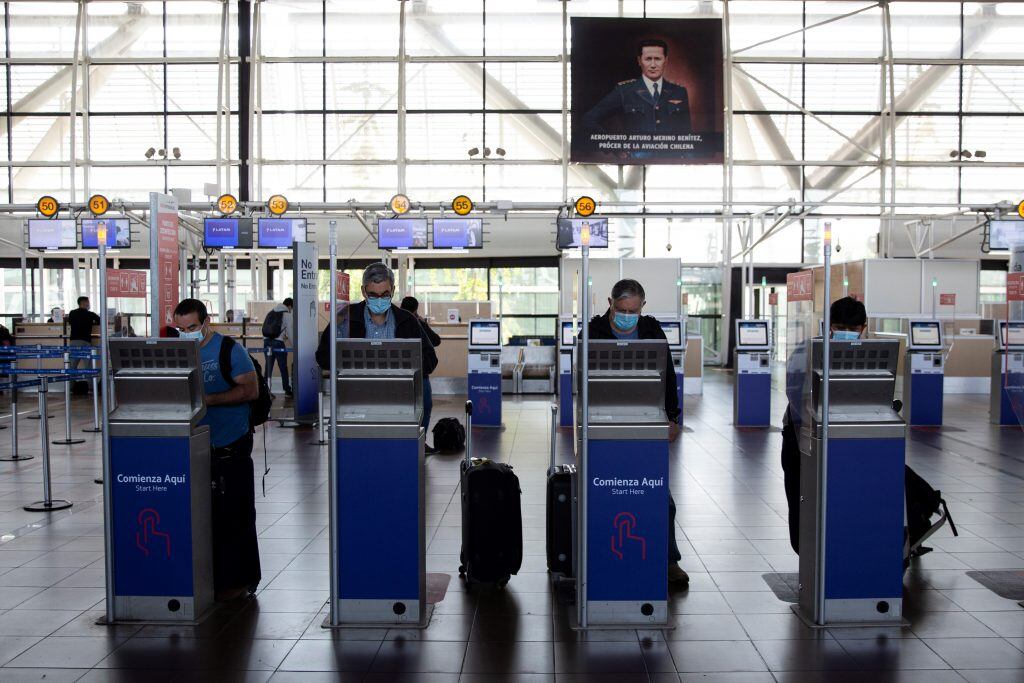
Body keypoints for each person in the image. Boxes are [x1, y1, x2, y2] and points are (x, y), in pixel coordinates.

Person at [585, 278, 688, 589]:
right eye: (621, 310)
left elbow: (668, 374)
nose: (628, 316)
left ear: (643, 306)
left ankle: (668, 560)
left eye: (634, 310)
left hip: (648, 418)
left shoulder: (652, 331)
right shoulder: (592, 332)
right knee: (605, 490)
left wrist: (673, 417)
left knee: (656, 493)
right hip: (602, 420)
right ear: (610, 304)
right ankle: (599, 557)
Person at [172, 298, 261, 602]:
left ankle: (240, 581)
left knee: (235, 515)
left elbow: (250, 390)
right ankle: (207, 577)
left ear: (206, 322)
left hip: (230, 444)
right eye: (181, 329)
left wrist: (207, 400)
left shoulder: (228, 350)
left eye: (192, 327)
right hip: (193, 445)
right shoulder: (177, 351)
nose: (187, 333)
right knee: (203, 516)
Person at [316, 264, 439, 451]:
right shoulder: (346, 318)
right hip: (355, 399)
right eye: (373, 295)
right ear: (364, 291)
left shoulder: (407, 321)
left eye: (385, 294)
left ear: (393, 291)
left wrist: (409, 363)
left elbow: (430, 359)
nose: (379, 299)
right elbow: (323, 355)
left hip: (399, 399)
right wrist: (347, 358)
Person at [781, 296, 867, 554]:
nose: (847, 334)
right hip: (802, 437)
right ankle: (806, 553)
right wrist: (817, 420)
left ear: (864, 326)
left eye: (853, 329)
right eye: (840, 327)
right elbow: (795, 394)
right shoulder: (807, 351)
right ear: (829, 325)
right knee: (802, 498)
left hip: (847, 440)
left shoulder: (868, 354)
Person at [581, 38, 692, 137]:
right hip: (635, 159)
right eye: (648, 59)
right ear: (639, 61)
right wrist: (614, 146)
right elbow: (589, 119)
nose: (653, 65)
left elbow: (687, 134)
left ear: (665, 61)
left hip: (670, 158)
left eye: (658, 59)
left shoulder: (679, 92)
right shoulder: (624, 91)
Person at [401, 296, 442, 453]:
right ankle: (420, 442)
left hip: (402, 373)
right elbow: (436, 340)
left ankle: (406, 441)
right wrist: (421, 321)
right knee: (425, 407)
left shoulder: (396, 320)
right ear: (416, 309)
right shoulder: (416, 322)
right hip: (420, 373)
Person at [263, 298, 294, 399]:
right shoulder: (287, 314)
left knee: (268, 368)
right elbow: (290, 332)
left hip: (267, 342)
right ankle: (287, 391)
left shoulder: (270, 312)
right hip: (278, 343)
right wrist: (295, 345)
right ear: (289, 306)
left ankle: (265, 391)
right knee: (283, 368)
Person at [66, 296, 100, 370]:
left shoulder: (72, 313)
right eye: (88, 302)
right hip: (85, 341)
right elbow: (100, 321)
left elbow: (70, 321)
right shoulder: (91, 314)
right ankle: (92, 381)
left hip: (74, 341)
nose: (89, 304)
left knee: (72, 365)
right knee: (88, 366)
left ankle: (71, 381)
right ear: (84, 303)